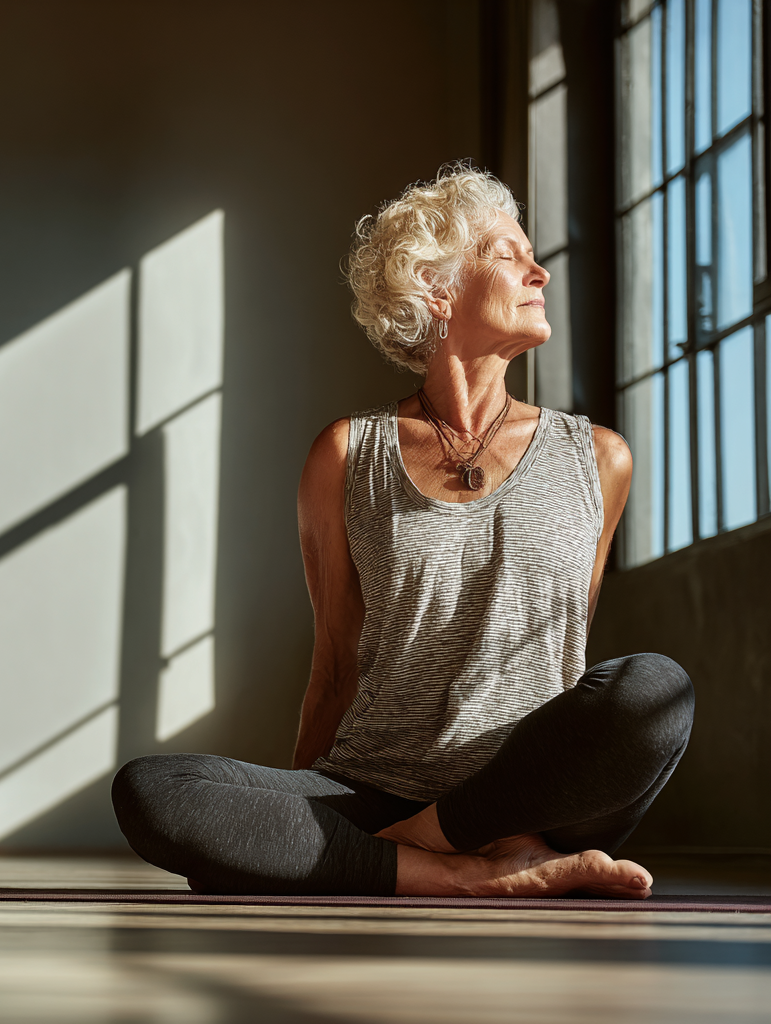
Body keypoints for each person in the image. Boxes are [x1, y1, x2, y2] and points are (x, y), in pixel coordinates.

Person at [111, 164, 693, 898]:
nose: (539, 271)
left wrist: (305, 856)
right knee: (154, 789)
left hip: (536, 800)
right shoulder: (349, 454)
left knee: (656, 688)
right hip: (378, 784)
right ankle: (467, 874)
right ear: (437, 289)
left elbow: (567, 656)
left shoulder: (600, 458)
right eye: (507, 255)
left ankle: (412, 852)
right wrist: (283, 820)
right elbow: (334, 667)